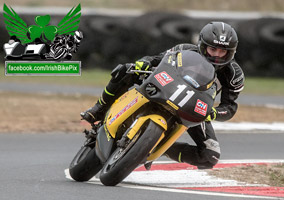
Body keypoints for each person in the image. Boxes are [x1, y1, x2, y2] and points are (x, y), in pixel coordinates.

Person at [81, 22, 245, 169]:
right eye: (213, 49)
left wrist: (213, 113)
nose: (217, 55)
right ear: (203, 45)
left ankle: (160, 147)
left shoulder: (234, 75)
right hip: (165, 86)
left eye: (222, 51)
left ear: (231, 52)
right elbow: (155, 60)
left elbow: (230, 107)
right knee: (125, 69)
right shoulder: (184, 49)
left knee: (210, 156)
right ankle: (99, 108)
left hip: (194, 105)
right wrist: (143, 63)